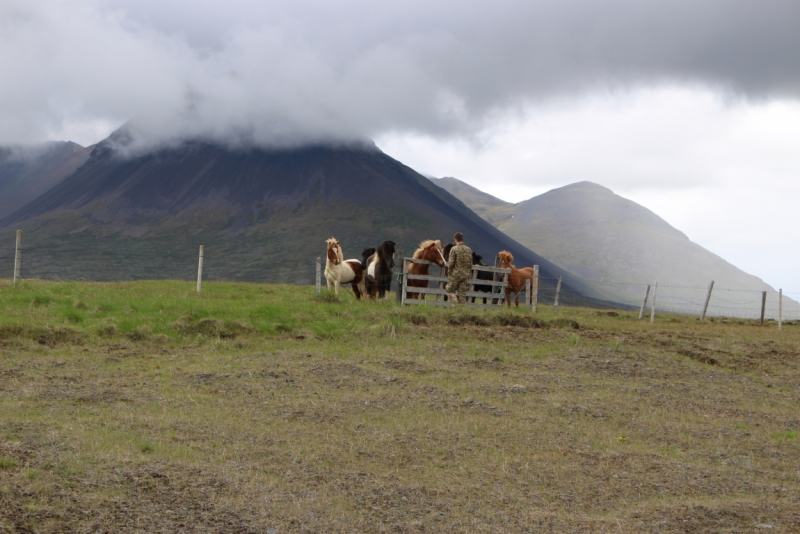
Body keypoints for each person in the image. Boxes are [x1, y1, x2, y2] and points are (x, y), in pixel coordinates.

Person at [446, 232, 473, 306]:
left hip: (456, 274)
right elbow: (470, 264)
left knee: (449, 290)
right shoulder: (469, 250)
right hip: (465, 275)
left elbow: (451, 263)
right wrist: (468, 274)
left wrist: (449, 273)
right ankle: (461, 311)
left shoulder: (454, 249)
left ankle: (456, 306)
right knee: (462, 294)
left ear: (455, 239)